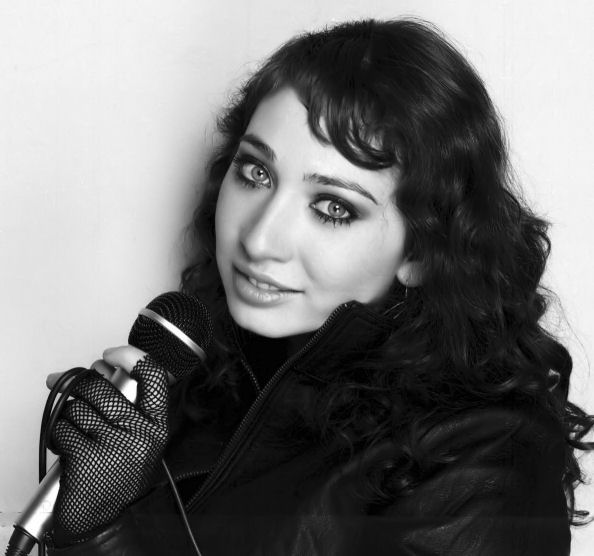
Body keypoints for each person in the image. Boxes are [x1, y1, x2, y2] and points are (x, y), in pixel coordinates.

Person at [46, 18, 592, 556]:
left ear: (423, 252)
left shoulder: (487, 463)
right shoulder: (208, 374)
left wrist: (108, 533)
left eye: (332, 207)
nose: (259, 239)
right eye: (256, 173)